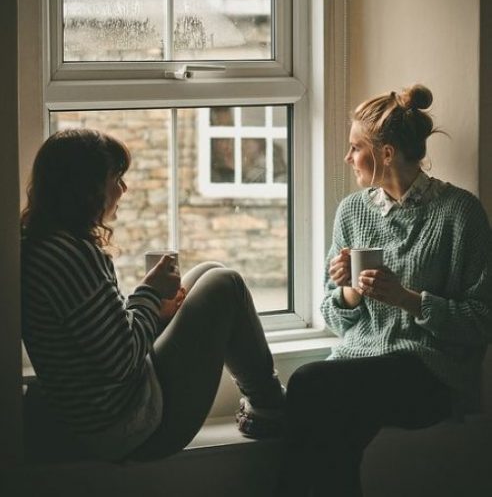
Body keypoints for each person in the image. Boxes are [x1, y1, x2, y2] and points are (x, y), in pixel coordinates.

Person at [276, 84, 492, 497]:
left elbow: (482, 321)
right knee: (336, 432)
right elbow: (335, 316)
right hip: (362, 364)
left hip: (431, 373)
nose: (348, 157)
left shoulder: (460, 213)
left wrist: (407, 299)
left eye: (355, 147)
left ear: (386, 153)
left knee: (308, 385)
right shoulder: (352, 211)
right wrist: (350, 293)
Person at [21, 129, 284, 463]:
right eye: (116, 178)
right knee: (225, 283)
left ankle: (267, 403)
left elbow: (100, 339)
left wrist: (154, 310)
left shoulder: (43, 244)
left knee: (208, 270)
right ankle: (271, 407)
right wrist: (149, 292)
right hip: (130, 426)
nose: (123, 189)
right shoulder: (70, 256)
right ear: (86, 188)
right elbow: (121, 359)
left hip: (106, 412)